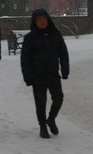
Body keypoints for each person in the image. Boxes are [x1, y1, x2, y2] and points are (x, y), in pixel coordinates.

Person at [21, 8, 70, 139]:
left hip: (53, 74)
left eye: (44, 19)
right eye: (39, 20)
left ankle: (51, 119)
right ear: (35, 22)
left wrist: (65, 70)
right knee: (40, 102)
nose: (42, 22)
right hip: (38, 76)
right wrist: (27, 76)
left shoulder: (55, 34)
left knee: (58, 98)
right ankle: (43, 126)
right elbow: (24, 59)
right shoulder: (30, 38)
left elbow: (63, 53)